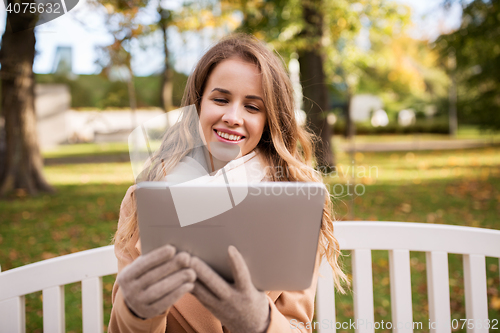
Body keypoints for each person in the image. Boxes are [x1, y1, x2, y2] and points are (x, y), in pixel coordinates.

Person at [108, 34, 347, 333]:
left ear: (270, 120)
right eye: (220, 99)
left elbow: (297, 325)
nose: (232, 117)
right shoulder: (143, 201)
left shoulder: (294, 201)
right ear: (198, 105)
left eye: (252, 107)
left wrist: (257, 319)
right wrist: (136, 310)